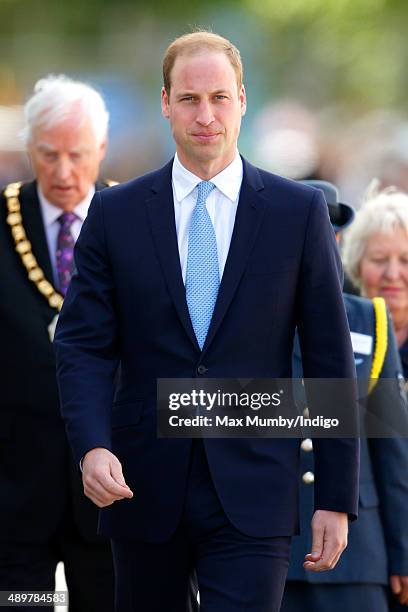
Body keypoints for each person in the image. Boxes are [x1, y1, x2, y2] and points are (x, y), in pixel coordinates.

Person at [55, 31, 359, 612]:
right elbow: (84, 344)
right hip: (140, 484)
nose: (206, 115)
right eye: (190, 99)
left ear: (243, 100)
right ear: (165, 102)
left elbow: (328, 355)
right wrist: (91, 445)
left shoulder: (298, 213)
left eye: (220, 98)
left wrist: (335, 497)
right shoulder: (114, 213)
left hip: (255, 485)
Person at [0, 75, 115, 610]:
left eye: (78, 155)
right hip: (14, 495)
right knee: (22, 605)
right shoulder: (4, 221)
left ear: (102, 150)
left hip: (109, 491)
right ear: (29, 149)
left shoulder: (136, 220)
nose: (64, 173)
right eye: (49, 155)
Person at [281, 180, 408, 612]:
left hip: (359, 552)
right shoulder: (249, 315)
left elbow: (391, 450)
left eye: (327, 235)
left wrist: (403, 552)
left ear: (336, 240)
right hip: (272, 546)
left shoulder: (369, 320)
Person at [342, 182, 408, 609]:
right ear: (354, 264)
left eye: (406, 260)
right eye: (379, 260)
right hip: (365, 542)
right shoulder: (334, 331)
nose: (392, 274)